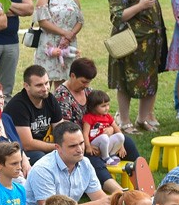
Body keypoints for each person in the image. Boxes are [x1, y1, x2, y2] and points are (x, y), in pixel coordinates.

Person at [54, 57, 140, 189]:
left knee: (127, 142)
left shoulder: (88, 92)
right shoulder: (62, 96)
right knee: (91, 158)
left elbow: (103, 114)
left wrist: (111, 129)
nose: (86, 85)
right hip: (79, 141)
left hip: (100, 135)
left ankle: (140, 179)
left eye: (89, 82)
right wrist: (87, 143)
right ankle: (116, 190)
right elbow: (66, 129)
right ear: (72, 75)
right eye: (83, 81)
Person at [24, 121, 112, 205]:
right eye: (72, 146)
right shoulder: (43, 170)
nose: (80, 149)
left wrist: (119, 202)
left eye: (81, 143)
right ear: (58, 148)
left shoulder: (85, 163)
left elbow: (101, 199)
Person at [108, 0, 165, 132]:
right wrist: (140, 6)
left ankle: (142, 119)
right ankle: (124, 121)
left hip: (149, 45)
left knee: (150, 82)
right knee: (126, 81)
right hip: (130, 43)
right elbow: (117, 16)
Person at [5, 66, 62, 164]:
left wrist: (67, 145)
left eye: (46, 83)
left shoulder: (50, 99)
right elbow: (27, 144)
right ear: (26, 86)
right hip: (19, 151)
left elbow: (61, 128)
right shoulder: (18, 106)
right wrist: (58, 147)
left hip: (46, 146)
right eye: (39, 85)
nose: (45, 88)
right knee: (42, 157)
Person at [31, 0, 84, 83]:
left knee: (65, 79)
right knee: (45, 79)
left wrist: (70, 36)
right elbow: (43, 22)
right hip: (49, 43)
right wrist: (64, 33)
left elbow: (80, 21)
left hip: (68, 43)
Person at [82, 89, 127, 166]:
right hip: (95, 145)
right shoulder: (89, 117)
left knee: (121, 136)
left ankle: (112, 154)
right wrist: (88, 146)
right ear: (93, 107)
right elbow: (85, 134)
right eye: (103, 106)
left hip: (106, 144)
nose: (107, 108)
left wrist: (121, 146)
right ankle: (105, 157)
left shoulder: (108, 117)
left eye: (108, 105)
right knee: (104, 137)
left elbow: (118, 131)